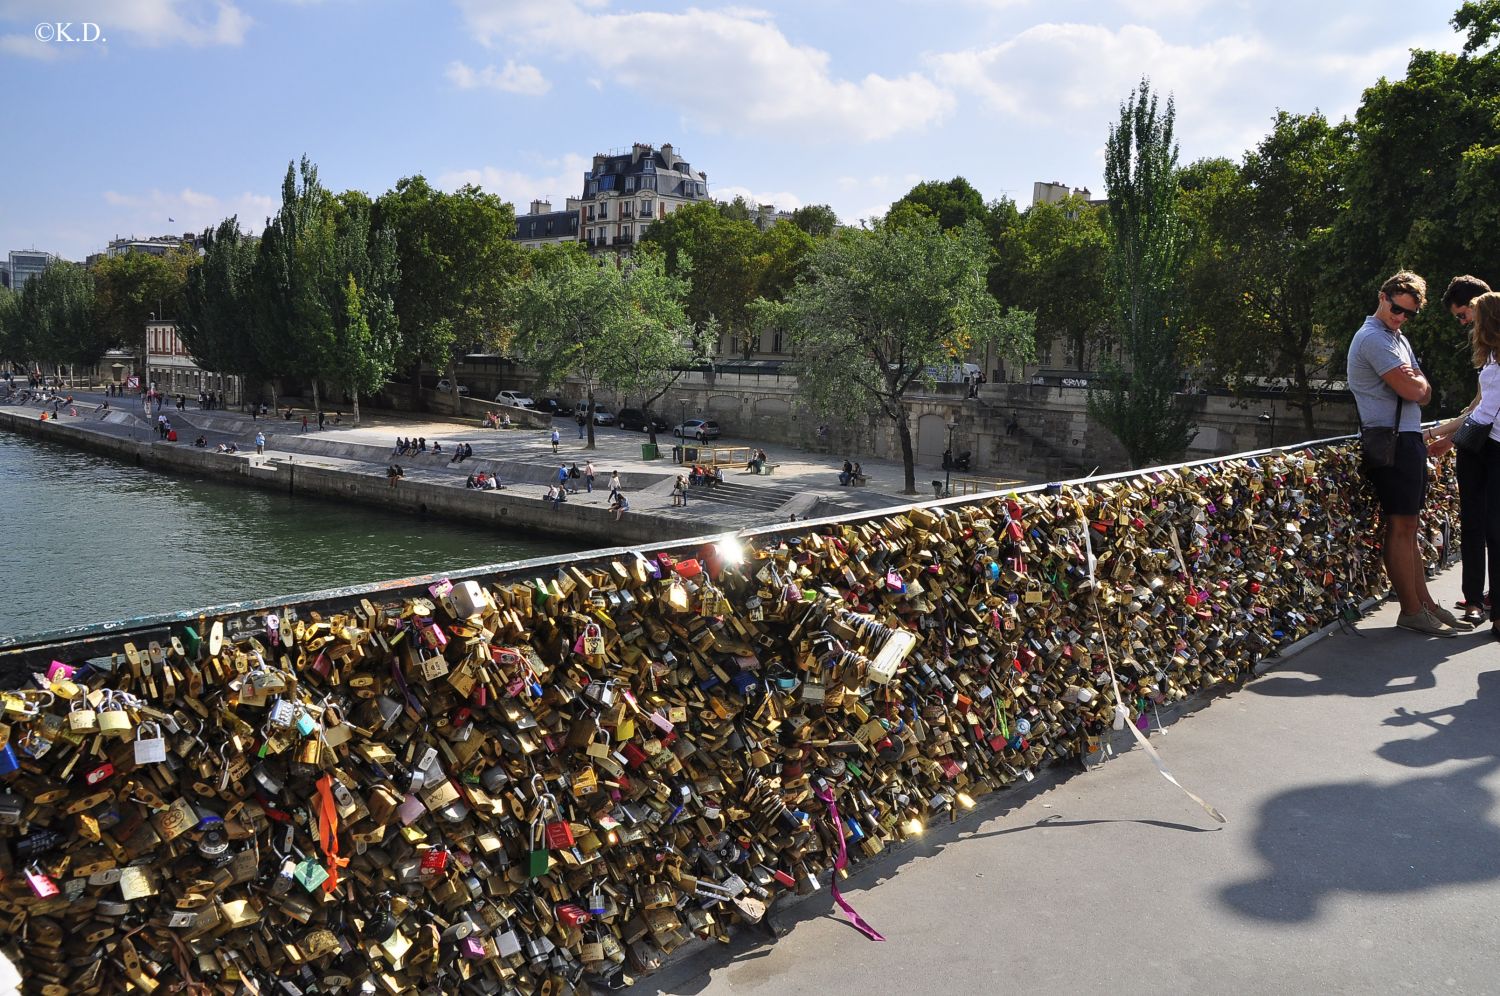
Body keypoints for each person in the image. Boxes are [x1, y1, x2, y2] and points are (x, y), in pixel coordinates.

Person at [1346, 271, 1459, 637]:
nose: (1399, 317)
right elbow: (1413, 390)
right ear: (1382, 297)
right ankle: (1411, 609)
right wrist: (1418, 385)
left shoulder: (1396, 338)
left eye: (1408, 314)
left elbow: (1423, 389)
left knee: (1408, 527)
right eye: (1396, 309)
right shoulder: (1374, 339)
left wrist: (1419, 385)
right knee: (1401, 526)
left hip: (1403, 438)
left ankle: (1423, 603)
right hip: (1391, 441)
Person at [1430, 287, 1500, 639]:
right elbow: (1478, 406)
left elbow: (1485, 410)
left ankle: (1492, 606)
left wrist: (1440, 434)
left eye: (1468, 317)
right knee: (1473, 522)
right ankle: (1475, 600)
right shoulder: (1488, 358)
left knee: (1494, 527)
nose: (1467, 325)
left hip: (1494, 444)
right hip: (1479, 445)